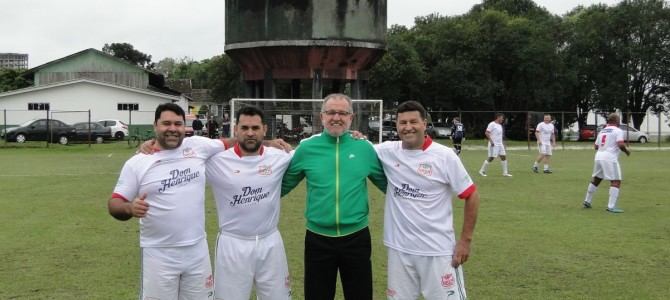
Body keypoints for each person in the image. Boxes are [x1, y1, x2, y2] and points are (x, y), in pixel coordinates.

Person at [108, 103, 226, 300]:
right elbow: (114, 204)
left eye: (178, 124)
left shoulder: (197, 145)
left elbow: (236, 142)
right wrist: (129, 208)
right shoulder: (137, 162)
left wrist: (271, 144)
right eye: (166, 123)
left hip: (197, 249)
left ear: (184, 127)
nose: (172, 129)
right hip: (158, 253)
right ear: (155, 125)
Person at [281, 93, 387, 299]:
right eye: (330, 112)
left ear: (351, 117)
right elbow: (282, 186)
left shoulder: (364, 148)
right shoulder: (306, 148)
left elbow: (390, 187)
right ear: (321, 117)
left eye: (342, 113)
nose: (336, 117)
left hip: (357, 238)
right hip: (317, 239)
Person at [375, 101, 480, 299]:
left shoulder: (444, 156)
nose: (408, 127)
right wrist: (357, 137)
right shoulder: (386, 151)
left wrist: (465, 241)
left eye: (413, 121)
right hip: (399, 251)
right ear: (396, 125)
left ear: (424, 123)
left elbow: (471, 195)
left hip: (437, 252)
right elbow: (359, 148)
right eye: (402, 122)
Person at [206, 106, 293, 299]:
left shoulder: (281, 157)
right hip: (232, 243)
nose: (250, 133)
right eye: (244, 128)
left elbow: (313, 151)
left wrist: (353, 136)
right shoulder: (215, 161)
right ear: (236, 129)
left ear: (264, 129)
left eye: (255, 128)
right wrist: (153, 144)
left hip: (270, 242)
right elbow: (182, 152)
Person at [583, 113, 630, 213]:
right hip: (610, 158)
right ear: (616, 121)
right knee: (616, 181)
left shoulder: (602, 131)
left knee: (596, 179)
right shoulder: (618, 131)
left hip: (599, 156)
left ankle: (587, 201)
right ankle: (611, 206)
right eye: (619, 120)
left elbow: (596, 146)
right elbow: (620, 144)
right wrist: (626, 151)